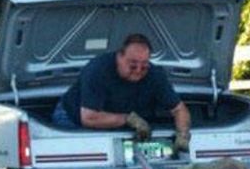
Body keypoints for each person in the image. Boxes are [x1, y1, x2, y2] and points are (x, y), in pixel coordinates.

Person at [52, 33, 192, 153]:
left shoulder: (155, 75)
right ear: (119, 56)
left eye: (144, 66)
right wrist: (129, 120)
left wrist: (183, 135)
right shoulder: (97, 70)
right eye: (132, 65)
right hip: (73, 119)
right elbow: (89, 118)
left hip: (121, 122)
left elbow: (179, 109)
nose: (138, 70)